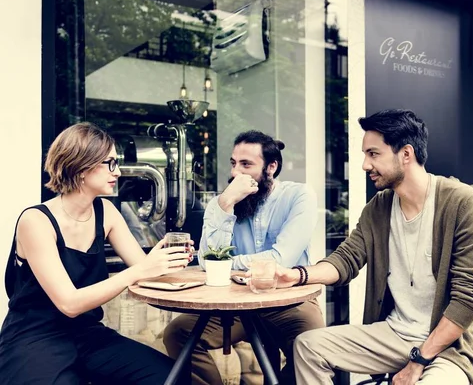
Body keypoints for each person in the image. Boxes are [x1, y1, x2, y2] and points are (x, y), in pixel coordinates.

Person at [276, 109, 473, 385]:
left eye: (373, 154)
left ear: (406, 153)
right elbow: (347, 258)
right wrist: (296, 275)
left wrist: (418, 362)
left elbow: (468, 300)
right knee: (308, 346)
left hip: (452, 346)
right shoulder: (379, 206)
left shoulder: (462, 202)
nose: (365, 165)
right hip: (396, 333)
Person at [0, 122, 192, 385]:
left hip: (87, 334)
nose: (119, 171)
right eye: (110, 163)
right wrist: (140, 271)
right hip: (35, 337)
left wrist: (167, 261)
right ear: (81, 166)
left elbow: (144, 270)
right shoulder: (36, 221)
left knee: (171, 376)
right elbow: (69, 304)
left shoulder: (106, 212)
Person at [163, 130, 325, 385]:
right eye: (233, 163)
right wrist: (226, 203)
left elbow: (279, 260)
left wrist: (227, 265)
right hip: (235, 303)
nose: (236, 173)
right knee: (177, 333)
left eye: (246, 164)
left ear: (271, 167)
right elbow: (207, 261)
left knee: (316, 347)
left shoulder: (299, 196)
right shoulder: (224, 202)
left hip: (288, 300)